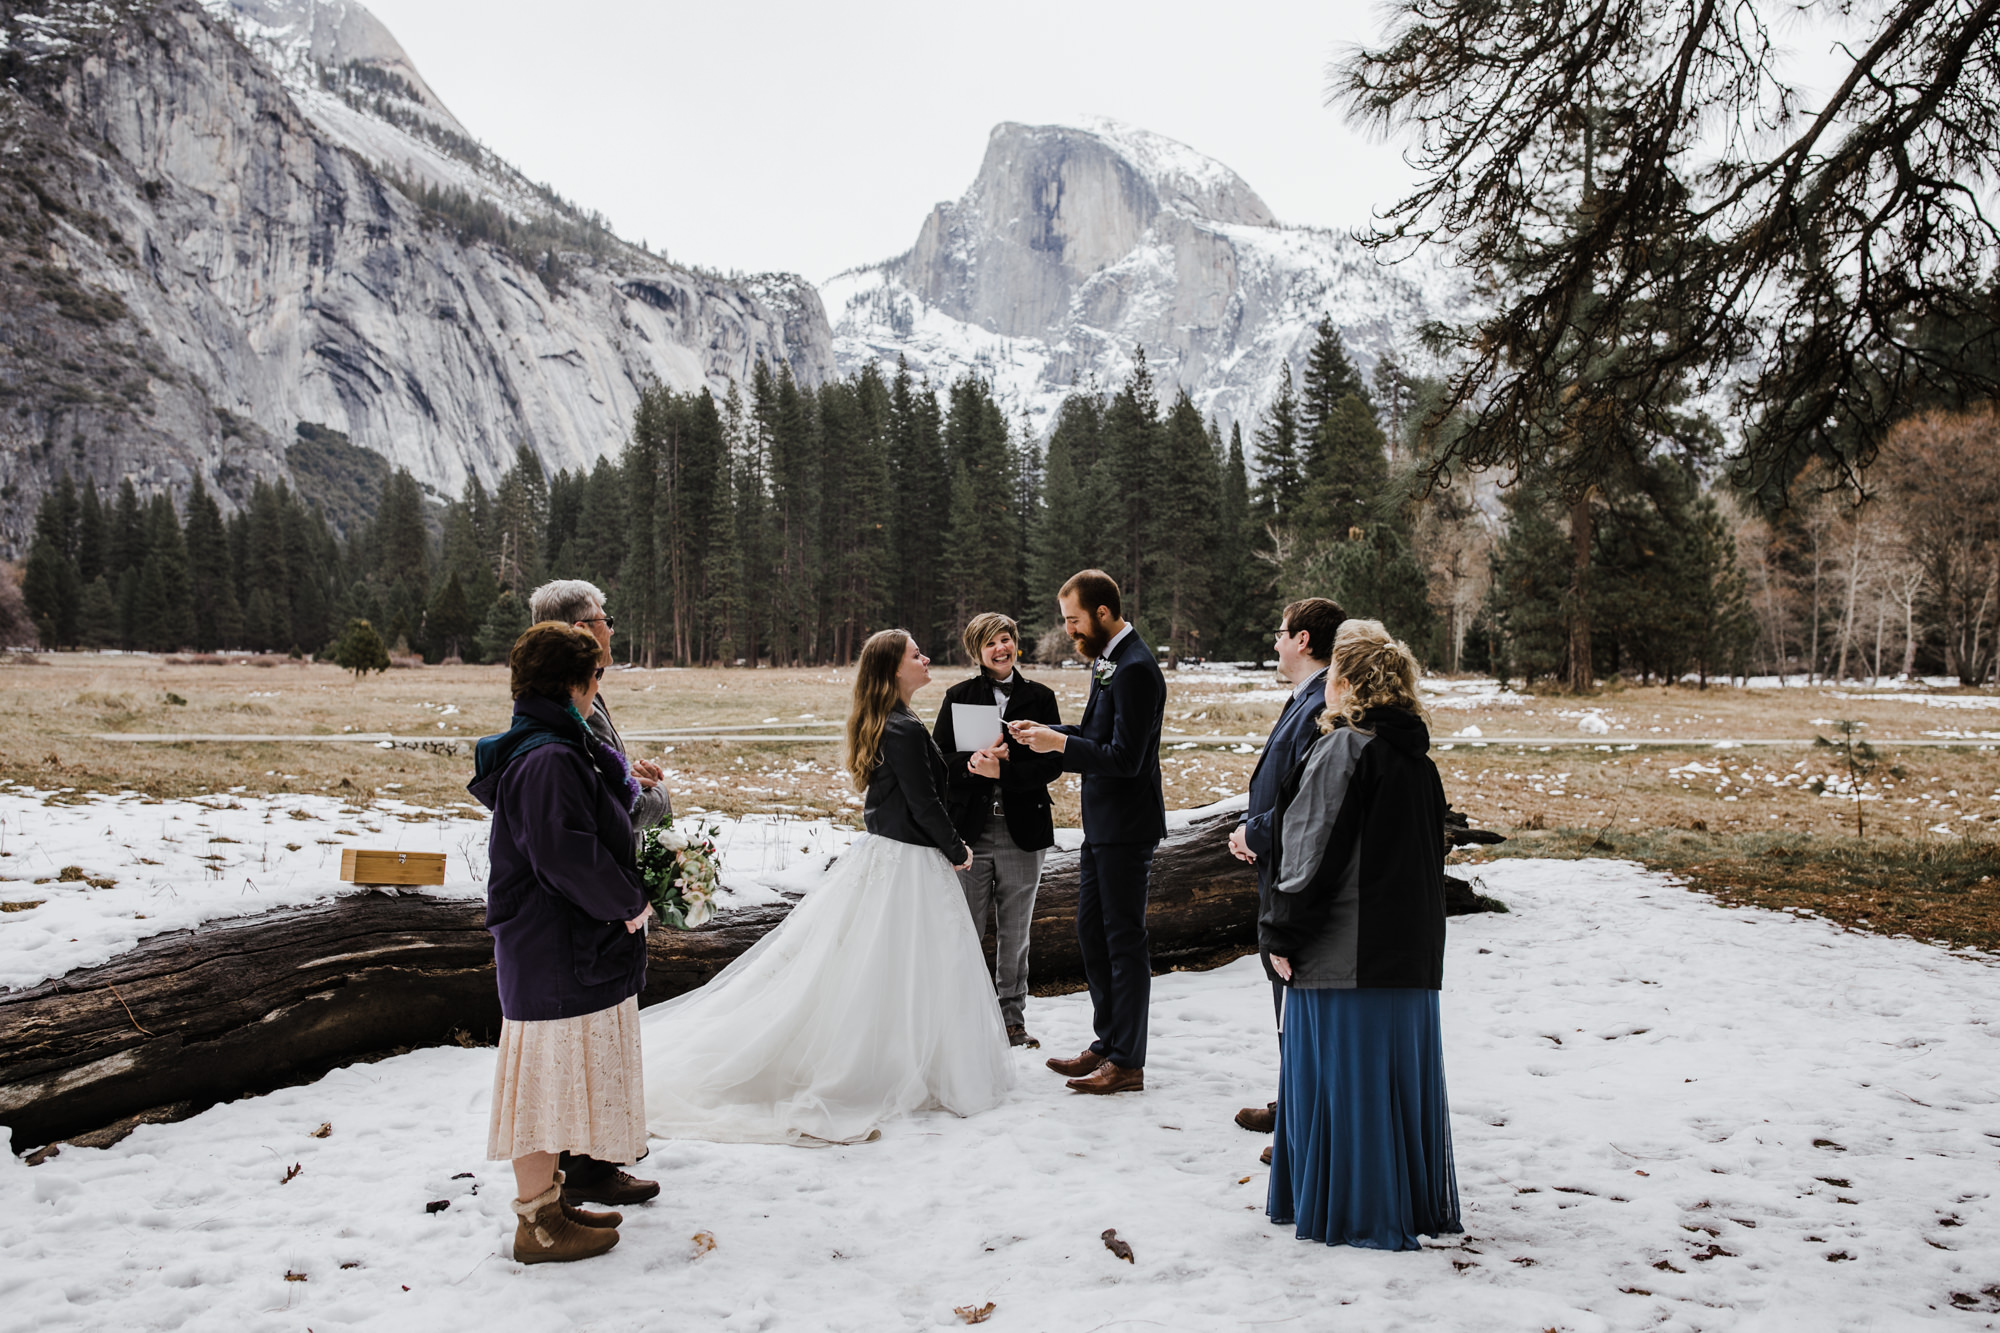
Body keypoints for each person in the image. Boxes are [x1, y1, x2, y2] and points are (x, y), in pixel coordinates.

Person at [641, 629, 1016, 1144]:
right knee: (903, 963)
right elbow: (924, 805)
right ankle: (889, 1065)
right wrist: (958, 849)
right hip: (908, 862)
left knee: (898, 965)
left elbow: (921, 788)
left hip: (897, 857)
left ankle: (911, 1058)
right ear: (893, 669)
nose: (925, 658)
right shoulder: (901, 728)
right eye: (915, 654)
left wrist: (967, 770)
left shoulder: (899, 721)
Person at [1261, 619, 1461, 1250]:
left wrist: (1282, 933)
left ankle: (1356, 1212)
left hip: (1345, 955)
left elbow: (1309, 850)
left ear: (1345, 681)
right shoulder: (1417, 761)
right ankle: (1400, 1202)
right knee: (1392, 1086)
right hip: (1408, 956)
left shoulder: (1344, 749)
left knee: (1342, 1081)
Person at [468, 622, 656, 1265]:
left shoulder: (553, 744)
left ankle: (551, 1203)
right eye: (596, 674)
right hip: (554, 945)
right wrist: (628, 902)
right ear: (574, 682)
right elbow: (563, 854)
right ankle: (537, 1225)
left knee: (553, 1077)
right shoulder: (549, 757)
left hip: (557, 941)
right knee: (543, 1082)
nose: (598, 687)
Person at [526, 578, 670, 1207]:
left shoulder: (590, 703)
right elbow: (581, 821)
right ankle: (574, 1171)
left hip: (597, 906)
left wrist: (627, 773)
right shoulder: (554, 730)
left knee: (599, 1037)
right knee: (578, 1039)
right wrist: (652, 800)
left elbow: (603, 784)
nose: (613, 628)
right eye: (604, 620)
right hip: (583, 911)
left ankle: (591, 1161)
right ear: (581, 632)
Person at [1007, 570, 1166, 1095]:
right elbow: (1099, 736)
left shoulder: (1137, 668)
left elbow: (1125, 758)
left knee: (1124, 941)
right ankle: (1106, 1043)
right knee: (1092, 935)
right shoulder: (1109, 661)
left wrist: (1060, 746)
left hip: (1127, 827)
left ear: (1102, 613)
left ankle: (1128, 1061)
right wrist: (1042, 737)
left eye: (1073, 620)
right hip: (1102, 827)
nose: (1069, 630)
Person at [1227, 597, 1344, 1145]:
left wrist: (1255, 832)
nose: (1274, 643)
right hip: (1277, 860)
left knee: (1294, 990)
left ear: (1302, 640)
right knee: (1283, 993)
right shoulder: (1305, 698)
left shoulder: (1321, 703)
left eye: (1280, 633)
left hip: (1291, 866)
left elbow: (1307, 796)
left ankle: (1304, 1123)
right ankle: (1295, 1098)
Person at [932, 612, 1064, 1048]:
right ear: (977, 652)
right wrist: (973, 765)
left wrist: (1006, 767)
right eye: (989, 643)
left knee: (1016, 932)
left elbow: (1052, 764)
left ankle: (1012, 1020)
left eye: (1005, 639)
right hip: (970, 833)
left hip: (1023, 832)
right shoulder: (957, 696)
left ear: (1015, 643)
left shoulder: (1041, 697)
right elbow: (938, 763)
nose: (1000, 648)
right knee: (966, 930)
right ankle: (965, 1018)